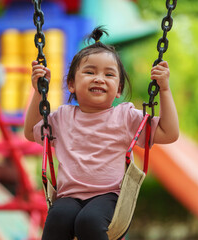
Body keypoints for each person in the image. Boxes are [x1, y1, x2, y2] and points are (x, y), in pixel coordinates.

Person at [24, 26, 179, 240]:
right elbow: (31, 132)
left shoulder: (125, 116)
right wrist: (37, 92)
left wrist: (165, 89)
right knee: (57, 216)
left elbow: (169, 133)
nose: (99, 78)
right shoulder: (62, 117)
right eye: (89, 72)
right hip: (69, 196)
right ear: (71, 84)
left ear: (118, 89)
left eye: (109, 74)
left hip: (109, 197)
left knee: (88, 221)